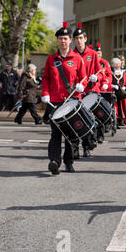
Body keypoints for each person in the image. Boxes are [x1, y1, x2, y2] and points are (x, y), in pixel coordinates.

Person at [41, 21, 87, 175]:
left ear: (70, 41)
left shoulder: (77, 58)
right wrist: (45, 93)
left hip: (71, 101)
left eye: (66, 38)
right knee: (56, 133)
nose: (63, 41)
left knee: (70, 133)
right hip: (54, 101)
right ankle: (54, 161)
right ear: (57, 41)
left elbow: (84, 77)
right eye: (60, 38)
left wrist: (81, 86)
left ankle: (69, 162)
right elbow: (46, 78)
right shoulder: (51, 59)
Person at [73, 23, 102, 157]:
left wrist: (96, 77)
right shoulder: (71, 54)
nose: (78, 40)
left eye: (80, 38)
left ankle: (86, 146)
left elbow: (100, 71)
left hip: (90, 90)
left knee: (87, 120)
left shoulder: (93, 54)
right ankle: (74, 148)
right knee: (75, 121)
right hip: (77, 92)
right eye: (76, 38)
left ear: (85, 38)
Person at [93, 43, 114, 134]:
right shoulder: (92, 62)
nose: (99, 55)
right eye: (97, 53)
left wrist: (106, 83)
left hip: (104, 89)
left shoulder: (104, 63)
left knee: (105, 108)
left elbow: (109, 75)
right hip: (94, 89)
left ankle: (107, 123)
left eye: (100, 53)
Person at [110, 57, 126, 127]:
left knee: (123, 107)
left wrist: (125, 87)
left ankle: (122, 120)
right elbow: (108, 80)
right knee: (115, 107)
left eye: (118, 64)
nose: (118, 66)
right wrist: (112, 86)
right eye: (116, 65)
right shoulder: (110, 72)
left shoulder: (123, 73)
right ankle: (116, 121)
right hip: (113, 92)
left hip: (121, 93)